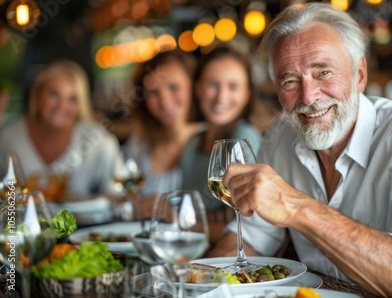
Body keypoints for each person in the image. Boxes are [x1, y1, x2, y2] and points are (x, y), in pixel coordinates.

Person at [209, 3, 392, 298]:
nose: (308, 97)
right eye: (290, 80)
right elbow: (253, 237)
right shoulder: (281, 136)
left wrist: (295, 207)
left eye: (323, 72)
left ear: (359, 75)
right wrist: (204, 281)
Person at [0, 59, 120, 200]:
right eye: (54, 94)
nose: (62, 106)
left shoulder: (100, 141)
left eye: (72, 99)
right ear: (36, 94)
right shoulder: (7, 136)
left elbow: (118, 195)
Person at [181, 45, 262, 244]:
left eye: (233, 86)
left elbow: (247, 226)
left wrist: (183, 223)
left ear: (246, 94)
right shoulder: (192, 143)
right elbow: (189, 213)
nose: (221, 97)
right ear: (198, 88)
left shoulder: (243, 138)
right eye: (212, 85)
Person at [125, 50, 199, 213]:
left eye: (173, 87)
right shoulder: (139, 143)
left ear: (194, 86)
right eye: (154, 92)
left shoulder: (209, 141)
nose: (165, 101)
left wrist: (166, 210)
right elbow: (129, 199)